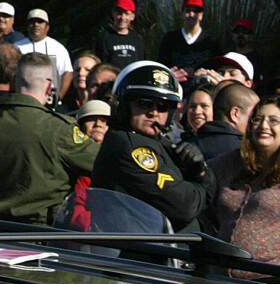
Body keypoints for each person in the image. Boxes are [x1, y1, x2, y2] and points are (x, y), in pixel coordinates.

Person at [0, 52, 98, 224]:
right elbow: (104, 163)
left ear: (14, 82)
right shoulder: (60, 130)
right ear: (48, 87)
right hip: (37, 237)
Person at [91, 60, 215, 232]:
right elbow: (183, 205)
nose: (154, 112)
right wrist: (203, 180)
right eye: (144, 103)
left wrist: (195, 169)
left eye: (163, 106)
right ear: (125, 105)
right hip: (141, 253)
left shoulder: (156, 142)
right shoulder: (130, 147)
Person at [208, 95, 280, 276]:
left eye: (274, 121)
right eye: (257, 119)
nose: (263, 126)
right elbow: (201, 176)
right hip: (218, 281)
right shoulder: (230, 163)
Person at [10, 9, 73, 101]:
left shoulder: (58, 48)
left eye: (40, 21)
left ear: (47, 27)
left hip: (50, 98)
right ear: (27, 26)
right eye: (32, 22)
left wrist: (59, 97)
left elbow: (67, 73)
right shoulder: (16, 47)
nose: (36, 25)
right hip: (23, 98)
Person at [157, 0, 219, 83]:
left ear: (201, 15)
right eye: (188, 11)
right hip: (175, 87)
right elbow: (161, 66)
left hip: (202, 90)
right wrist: (170, 75)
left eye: (195, 11)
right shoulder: (170, 38)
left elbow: (217, 69)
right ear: (182, 14)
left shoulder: (211, 41)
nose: (191, 14)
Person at [195, 81, 258, 161]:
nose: (257, 124)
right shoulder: (248, 153)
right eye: (254, 117)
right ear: (235, 114)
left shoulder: (186, 148)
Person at [93, 0, 146, 68]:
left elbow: (141, 64)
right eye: (119, 13)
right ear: (113, 13)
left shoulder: (137, 39)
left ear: (132, 17)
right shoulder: (103, 37)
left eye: (127, 14)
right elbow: (99, 65)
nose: (122, 18)